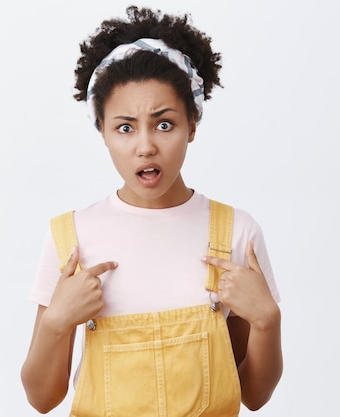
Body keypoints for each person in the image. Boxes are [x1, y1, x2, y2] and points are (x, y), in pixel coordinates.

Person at [21, 6, 282, 416]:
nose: (145, 146)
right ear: (103, 133)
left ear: (192, 125)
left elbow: (253, 394)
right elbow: (42, 398)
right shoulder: (71, 239)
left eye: (164, 124)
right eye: (125, 127)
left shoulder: (236, 233)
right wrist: (57, 322)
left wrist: (268, 319)